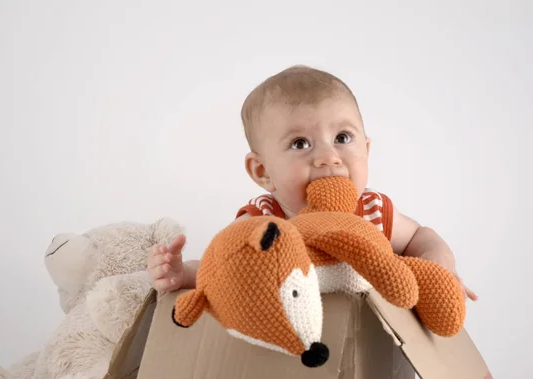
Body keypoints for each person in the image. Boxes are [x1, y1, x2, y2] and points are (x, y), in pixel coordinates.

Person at [146, 64, 478, 302]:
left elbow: (424, 238)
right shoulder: (263, 222)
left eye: (343, 137)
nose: (328, 157)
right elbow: (221, 267)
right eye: (301, 144)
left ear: (366, 149)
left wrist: (439, 270)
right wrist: (183, 274)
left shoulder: (372, 212)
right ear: (263, 172)